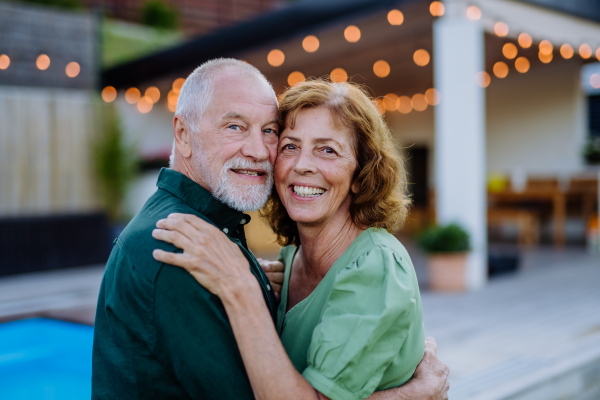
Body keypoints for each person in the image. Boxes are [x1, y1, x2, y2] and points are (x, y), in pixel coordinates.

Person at [92, 58, 448, 399]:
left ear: (360, 174)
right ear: (182, 135)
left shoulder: (369, 265)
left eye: (269, 132)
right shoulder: (180, 246)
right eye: (290, 145)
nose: (260, 150)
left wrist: (248, 284)